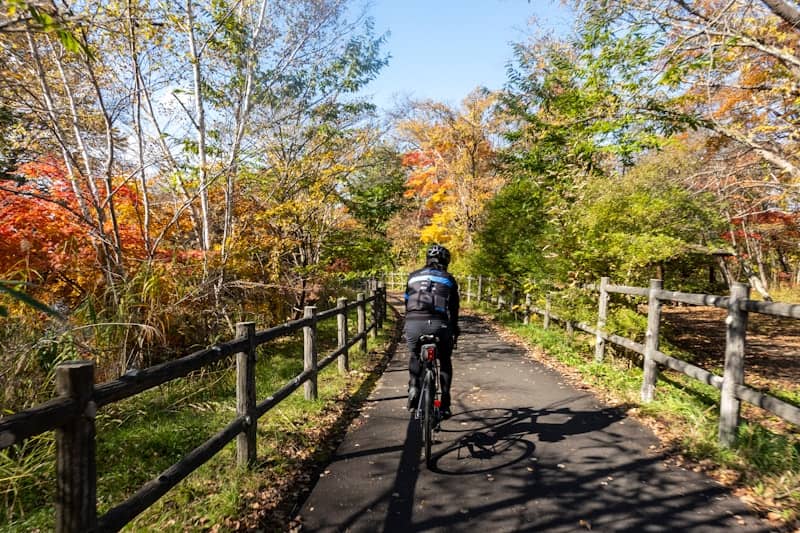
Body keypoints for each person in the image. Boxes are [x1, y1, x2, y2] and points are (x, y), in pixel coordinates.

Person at [404, 244, 460, 419]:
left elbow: (407, 303)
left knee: (415, 355)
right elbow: (454, 307)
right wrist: (454, 328)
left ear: (427, 260)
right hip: (439, 324)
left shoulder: (412, 277)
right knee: (444, 359)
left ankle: (414, 385)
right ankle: (445, 402)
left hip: (414, 324)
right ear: (446, 262)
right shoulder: (448, 278)